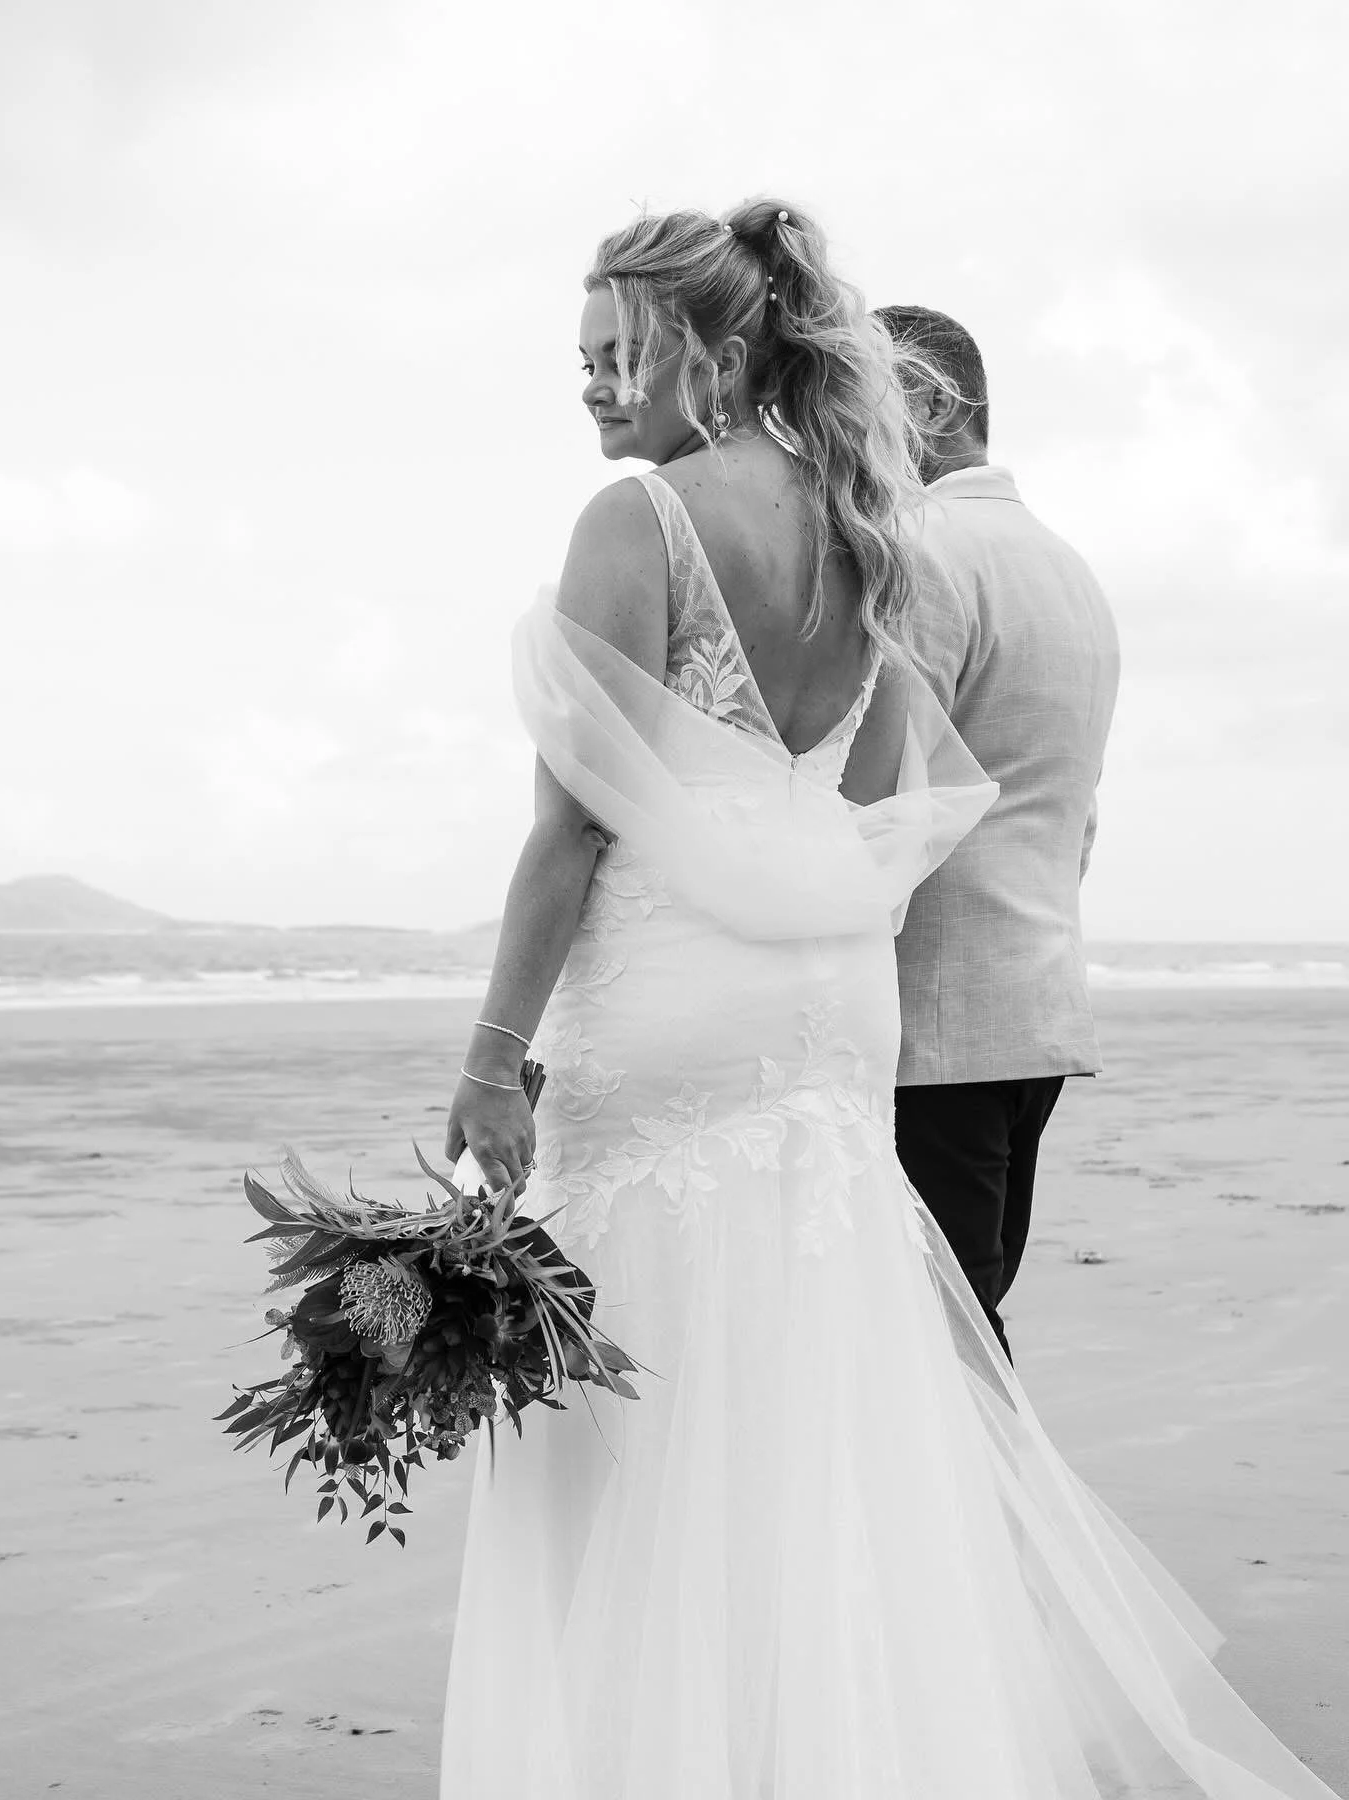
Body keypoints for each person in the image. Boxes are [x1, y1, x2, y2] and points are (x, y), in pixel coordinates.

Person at [436, 201, 1334, 1799]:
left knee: (642, 1424)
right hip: (827, 1020)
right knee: (818, 1407)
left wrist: (497, 1054)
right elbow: (862, 800)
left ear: (712, 350)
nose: (589, 388)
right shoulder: (868, 525)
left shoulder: (637, 522)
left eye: (616, 354)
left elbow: (573, 824)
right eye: (577, 360)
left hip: (667, 1014)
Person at [874, 304, 1121, 1363]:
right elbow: (1078, 816)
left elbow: (887, 796)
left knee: (948, 1339)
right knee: (968, 1312)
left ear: (926, 400)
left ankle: (988, 1531)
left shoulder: (926, 551)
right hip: (1033, 999)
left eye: (852, 396)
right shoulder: (1071, 569)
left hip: (934, 1014)